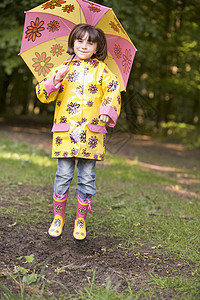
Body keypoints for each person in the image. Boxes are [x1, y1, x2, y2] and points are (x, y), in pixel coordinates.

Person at [36, 23, 121, 240]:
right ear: (72, 43)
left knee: (86, 178)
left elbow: (113, 90)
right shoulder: (63, 67)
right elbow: (43, 94)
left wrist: (106, 111)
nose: (84, 46)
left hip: (91, 135)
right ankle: (58, 217)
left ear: (97, 47)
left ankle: (80, 219)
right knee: (63, 175)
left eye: (90, 43)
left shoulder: (102, 70)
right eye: (79, 40)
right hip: (66, 132)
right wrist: (55, 80)